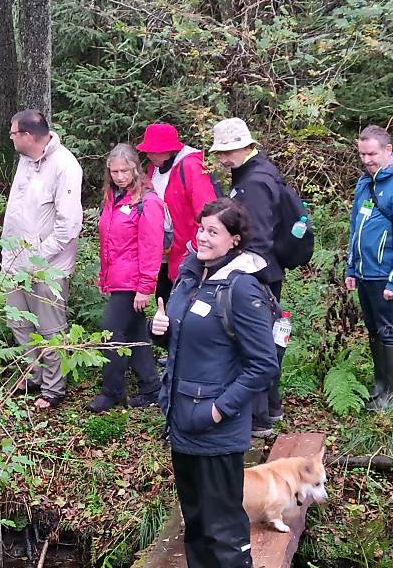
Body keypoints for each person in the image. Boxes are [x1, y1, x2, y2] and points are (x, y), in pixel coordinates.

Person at [150, 198, 279, 568]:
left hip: (217, 428)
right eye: (201, 228)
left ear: (234, 240)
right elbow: (188, 345)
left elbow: (263, 365)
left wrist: (220, 408)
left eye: (213, 232)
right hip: (182, 422)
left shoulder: (240, 288)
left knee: (224, 523)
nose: (202, 237)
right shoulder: (191, 276)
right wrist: (162, 331)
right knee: (197, 519)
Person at [208, 117, 290, 437]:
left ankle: (259, 420)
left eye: (230, 150)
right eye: (221, 152)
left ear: (246, 146)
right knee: (265, 339)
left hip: (258, 274)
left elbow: (258, 236)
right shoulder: (252, 173)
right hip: (261, 272)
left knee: (253, 344)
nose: (224, 158)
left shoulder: (254, 181)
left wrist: (236, 271)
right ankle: (271, 406)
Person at [1, 109, 83, 410]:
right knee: (19, 322)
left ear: (27, 136)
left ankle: (53, 388)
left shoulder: (65, 166)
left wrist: (38, 257)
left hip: (47, 267)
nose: (10, 138)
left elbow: (69, 225)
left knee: (50, 327)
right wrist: (9, 256)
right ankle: (33, 375)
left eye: (13, 133)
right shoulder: (24, 161)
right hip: (14, 261)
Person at [344, 125, 393, 411]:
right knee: (375, 332)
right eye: (362, 154)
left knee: (392, 332)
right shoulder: (365, 182)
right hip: (365, 273)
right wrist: (351, 268)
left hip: (388, 276)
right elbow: (356, 228)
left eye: (372, 154)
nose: (366, 160)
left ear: (388, 150)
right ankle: (380, 389)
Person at [92, 143, 164, 412]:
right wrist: (104, 276)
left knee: (109, 331)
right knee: (135, 332)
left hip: (134, 282)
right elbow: (108, 242)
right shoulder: (113, 197)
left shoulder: (148, 202)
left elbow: (151, 247)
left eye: (124, 170)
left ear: (135, 168)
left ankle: (112, 391)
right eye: (114, 171)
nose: (120, 176)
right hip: (118, 278)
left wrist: (145, 287)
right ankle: (151, 386)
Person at [135, 123, 219, 307]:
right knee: (163, 306)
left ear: (168, 150)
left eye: (153, 151)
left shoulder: (191, 167)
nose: (148, 155)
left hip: (188, 255)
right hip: (165, 254)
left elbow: (210, 213)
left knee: (181, 309)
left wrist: (196, 250)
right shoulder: (155, 167)